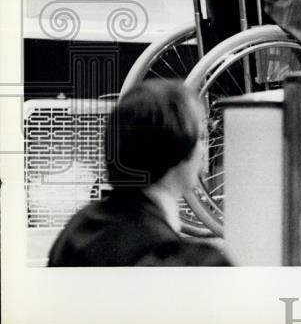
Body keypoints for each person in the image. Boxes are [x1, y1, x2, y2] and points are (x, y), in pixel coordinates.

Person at [48, 81, 230, 267]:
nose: (204, 149)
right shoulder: (195, 264)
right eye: (200, 138)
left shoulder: (74, 232)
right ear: (175, 149)